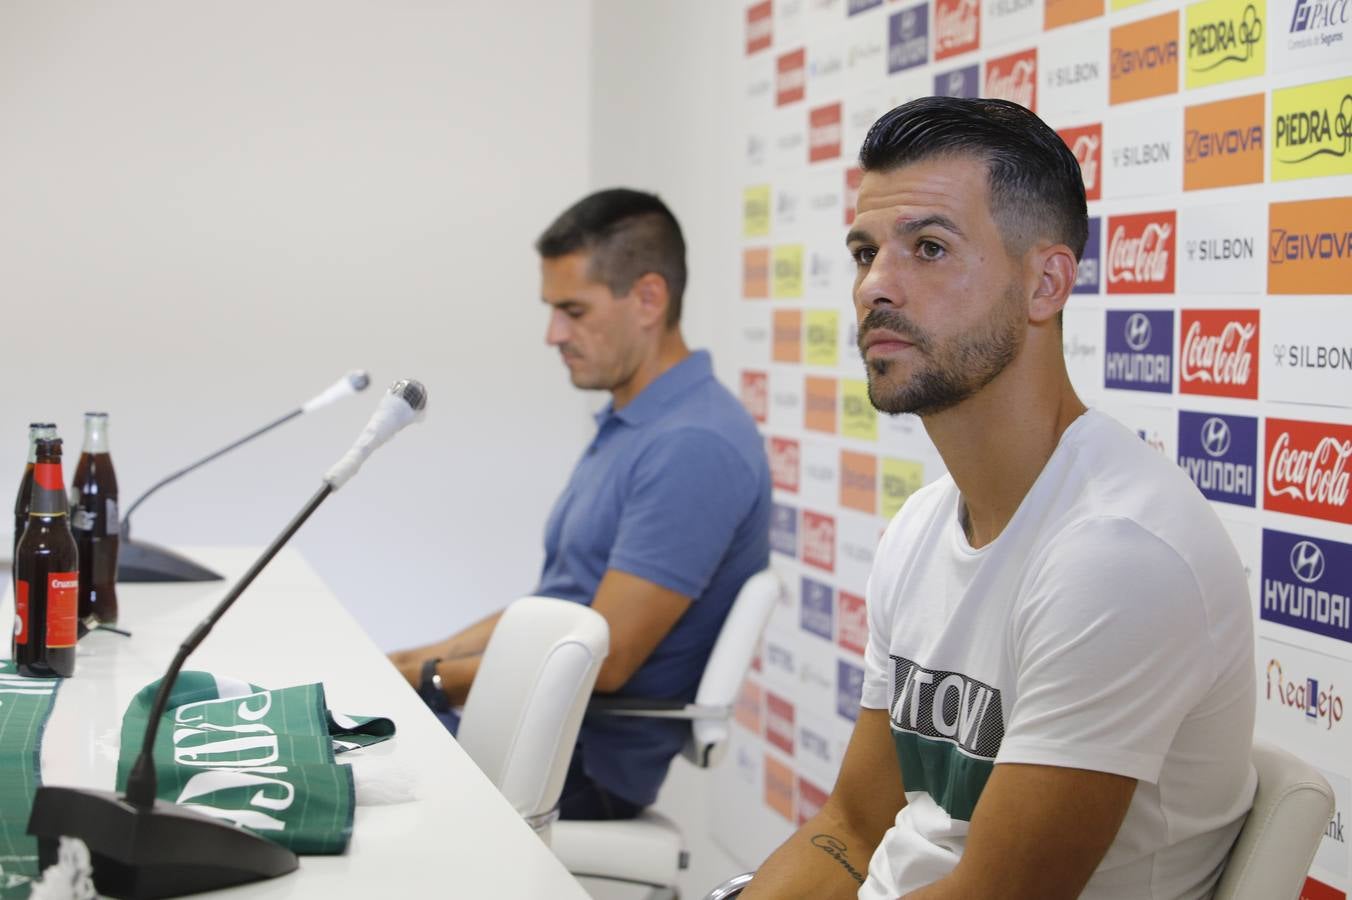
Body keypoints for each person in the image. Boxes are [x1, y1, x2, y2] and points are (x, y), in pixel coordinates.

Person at [744, 97, 1255, 899]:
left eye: (930, 248)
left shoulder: (1118, 555)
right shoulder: (919, 528)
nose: (876, 286)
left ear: (1045, 282)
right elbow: (850, 827)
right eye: (865, 252)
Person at [390, 188, 771, 821]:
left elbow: (605, 657)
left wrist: (426, 680)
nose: (552, 334)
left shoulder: (692, 445)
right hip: (538, 735)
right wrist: (413, 662)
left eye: (572, 310)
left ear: (648, 298)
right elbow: (553, 608)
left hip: (575, 765)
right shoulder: (639, 422)